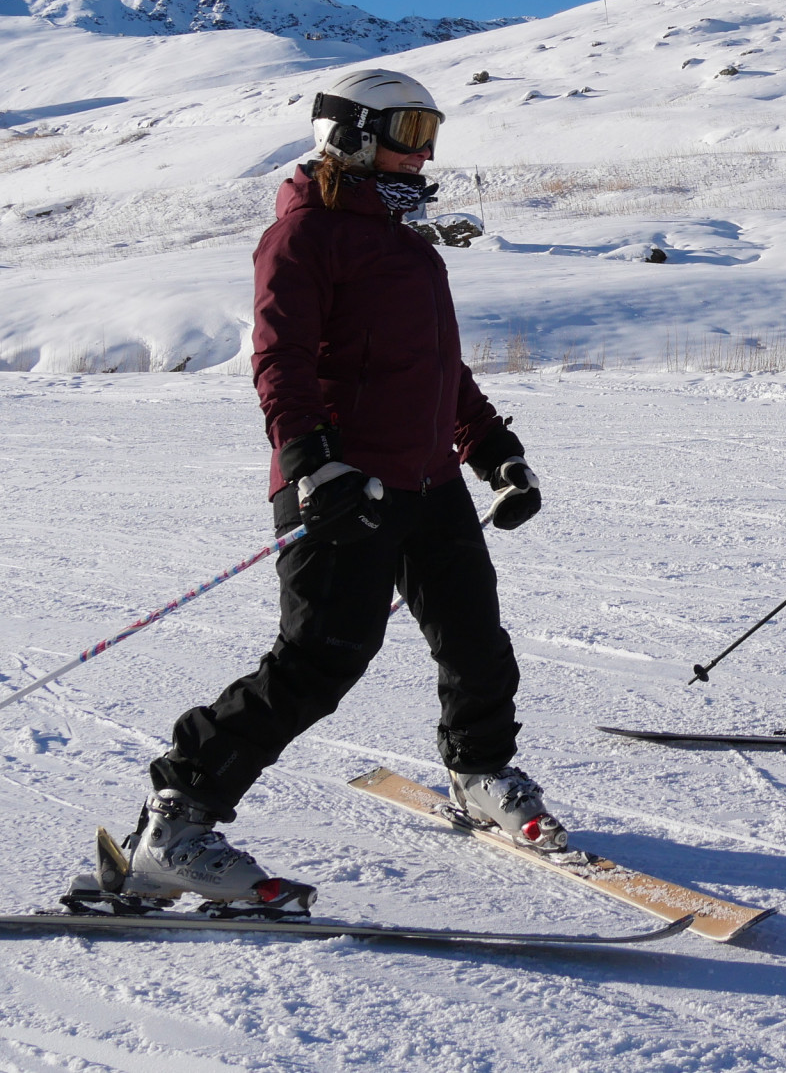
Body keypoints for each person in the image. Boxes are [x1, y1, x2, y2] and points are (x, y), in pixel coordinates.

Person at [98, 68, 558, 912]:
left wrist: (491, 446)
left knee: (475, 639)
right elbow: (280, 358)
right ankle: (175, 821)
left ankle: (480, 771)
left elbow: (435, 366)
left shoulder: (410, 240)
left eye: (430, 132)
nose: (421, 152)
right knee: (322, 659)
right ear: (346, 134)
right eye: (405, 131)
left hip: (428, 478)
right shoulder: (305, 234)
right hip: (346, 481)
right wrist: (313, 461)